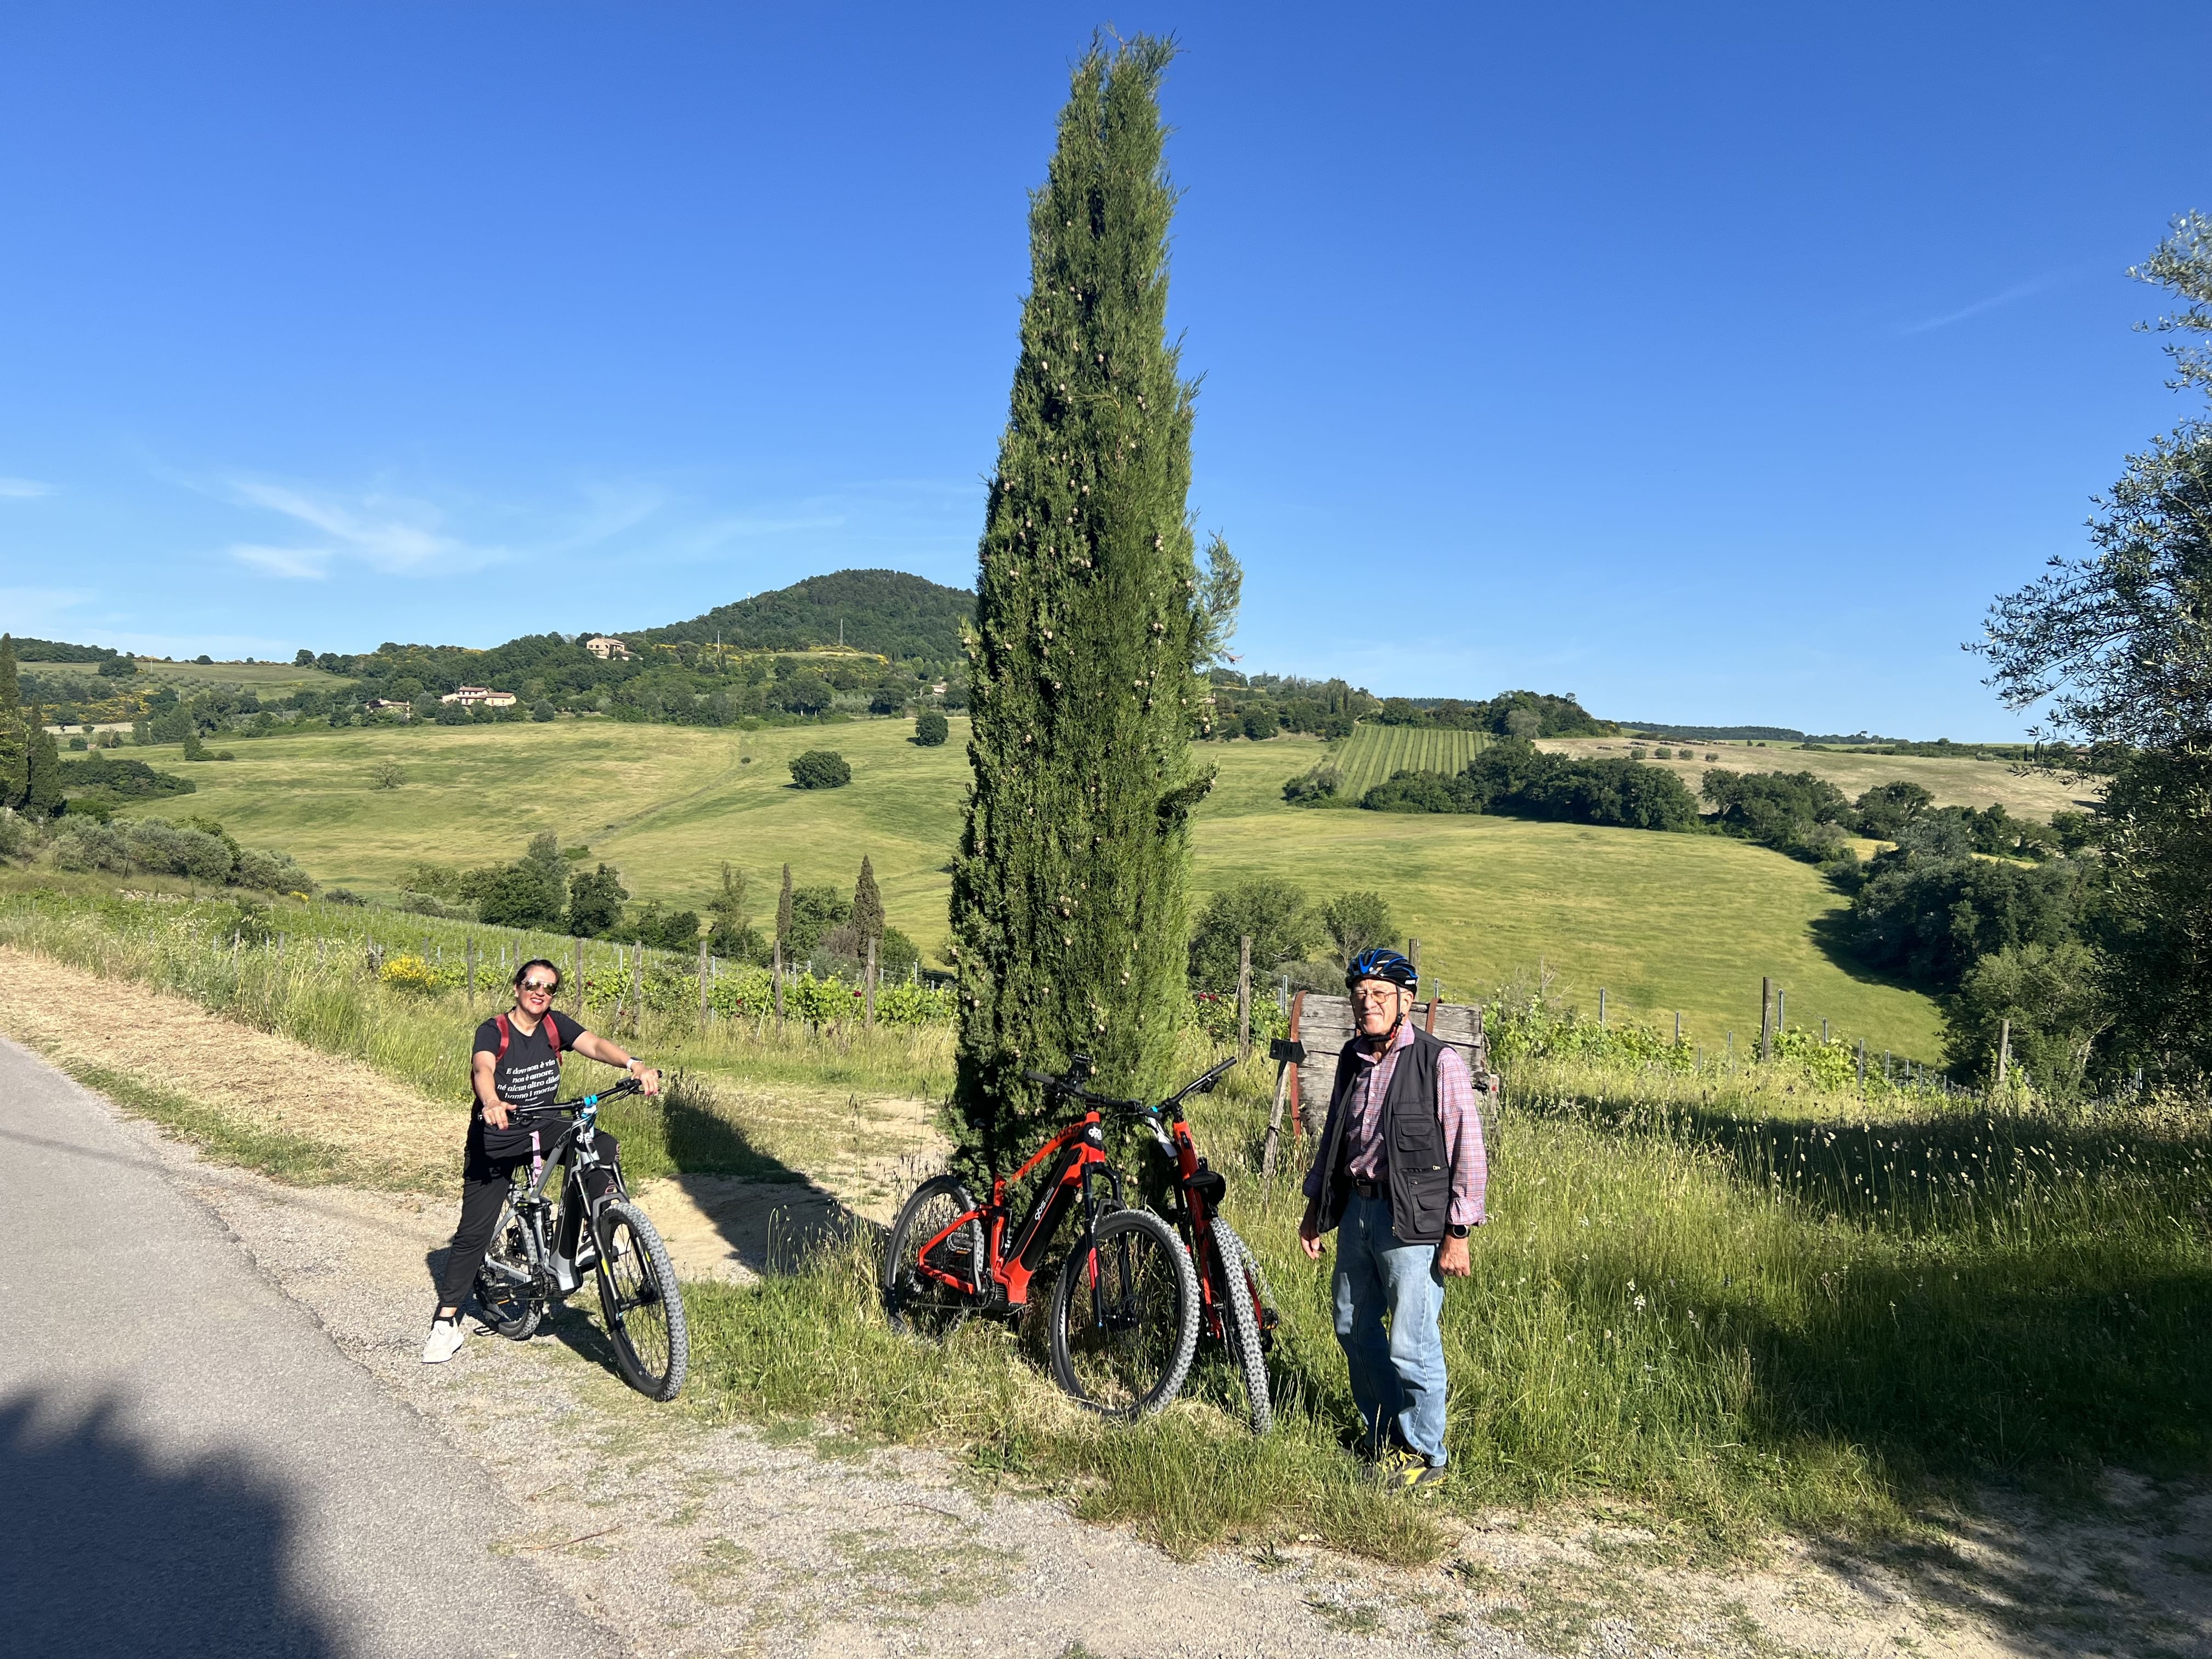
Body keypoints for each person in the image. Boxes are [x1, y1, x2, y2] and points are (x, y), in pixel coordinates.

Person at [1299, 946, 1487, 1491]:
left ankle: (1426, 1453)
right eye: (1359, 996)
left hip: (1412, 1222)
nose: (1367, 1005)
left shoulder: (1438, 1062)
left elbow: (1467, 1149)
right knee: (1352, 1326)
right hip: (1356, 1208)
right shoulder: (1352, 1060)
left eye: (1379, 995)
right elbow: (1335, 1138)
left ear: (1406, 1001)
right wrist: (1316, 1209)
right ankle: (1385, 1436)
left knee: (1412, 1340)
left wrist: (1458, 1233)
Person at [422, 958, 659, 1364]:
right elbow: (483, 1068)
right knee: (473, 1233)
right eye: (532, 984)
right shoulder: (494, 1029)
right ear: (517, 987)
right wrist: (492, 1100)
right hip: (495, 1134)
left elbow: (596, 1045)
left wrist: (634, 1064)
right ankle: (445, 1323)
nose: (540, 992)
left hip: (542, 1125)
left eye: (549, 988)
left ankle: (600, 1225)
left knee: (597, 1143)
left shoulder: (554, 1025)